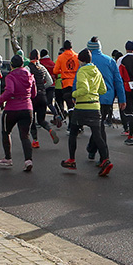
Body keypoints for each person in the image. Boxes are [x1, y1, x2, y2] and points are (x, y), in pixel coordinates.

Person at [61, 48, 113, 176]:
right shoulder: (97, 71)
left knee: (73, 132)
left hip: (82, 107)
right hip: (95, 107)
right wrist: (94, 92)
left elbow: (84, 89)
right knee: (97, 135)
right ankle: (105, 159)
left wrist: (73, 94)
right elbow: (103, 89)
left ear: (81, 61)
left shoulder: (82, 71)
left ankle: (72, 159)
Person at [85, 37, 126, 160]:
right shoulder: (110, 61)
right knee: (98, 124)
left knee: (98, 127)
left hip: (91, 98)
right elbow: (118, 81)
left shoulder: (87, 62)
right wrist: (122, 99)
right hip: (107, 98)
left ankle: (103, 156)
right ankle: (92, 149)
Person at [0, 54, 36, 171]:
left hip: (12, 109)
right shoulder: (30, 76)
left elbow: (10, 91)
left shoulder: (10, 76)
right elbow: (34, 93)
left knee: (6, 132)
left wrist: (0, 101)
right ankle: (28, 160)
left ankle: (8, 158)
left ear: (11, 65)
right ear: (22, 64)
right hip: (27, 107)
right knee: (25, 135)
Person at [27, 49, 60, 147]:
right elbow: (50, 82)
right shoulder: (42, 68)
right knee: (41, 120)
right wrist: (42, 88)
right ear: (39, 57)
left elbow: (26, 82)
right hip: (42, 96)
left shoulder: (27, 68)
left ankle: (35, 141)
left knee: (32, 121)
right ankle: (50, 129)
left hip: (33, 98)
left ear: (30, 56)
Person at [53, 40, 78, 118]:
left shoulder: (61, 57)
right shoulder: (77, 56)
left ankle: (71, 124)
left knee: (69, 104)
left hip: (66, 83)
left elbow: (55, 71)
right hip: (75, 83)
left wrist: (63, 71)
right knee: (76, 104)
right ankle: (77, 124)